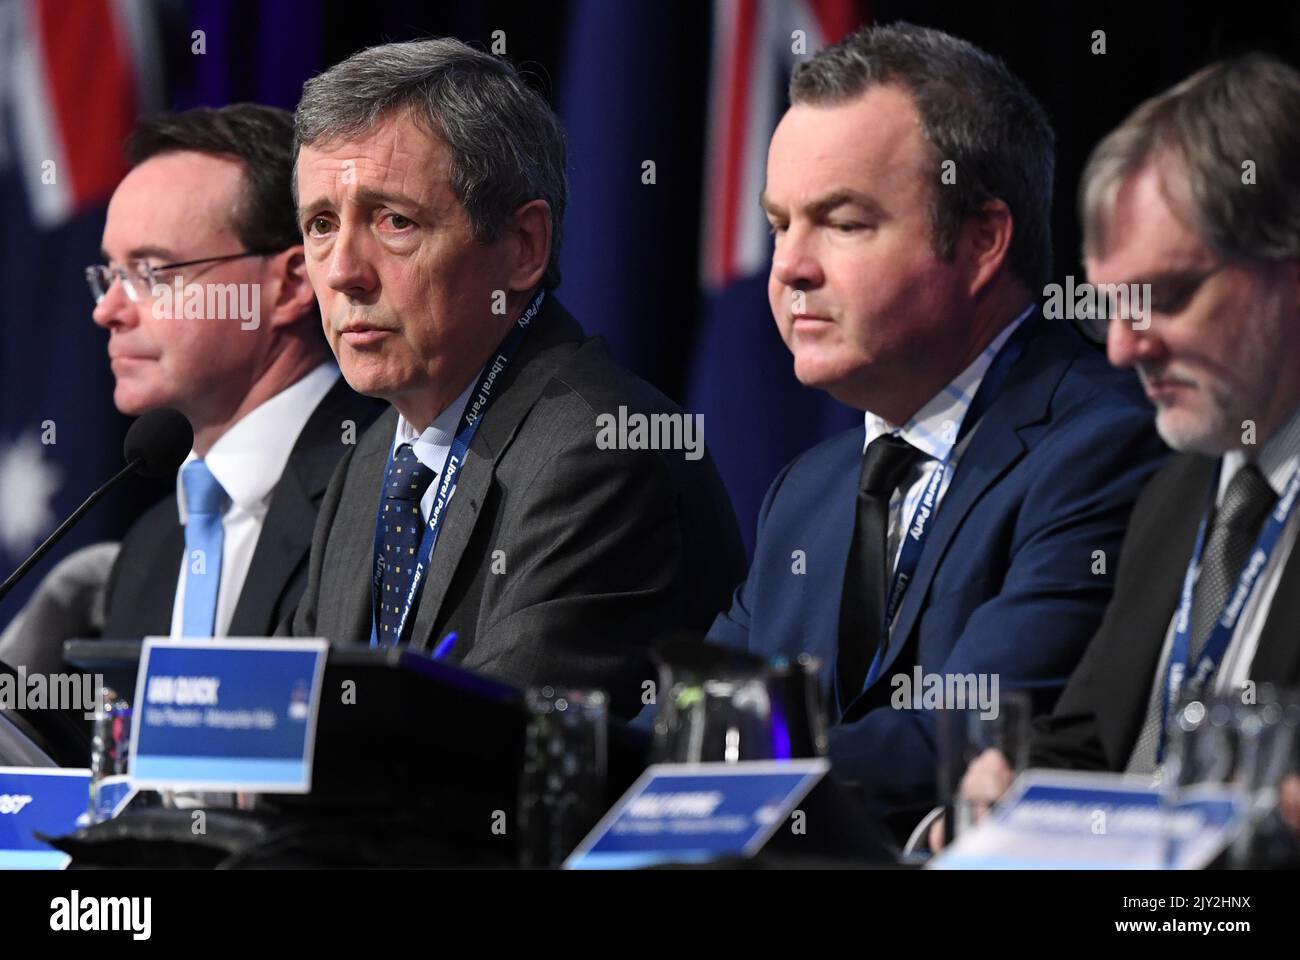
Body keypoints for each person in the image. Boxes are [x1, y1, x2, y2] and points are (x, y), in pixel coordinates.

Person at [705, 23, 1168, 830]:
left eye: (842, 222)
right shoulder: (804, 494)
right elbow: (703, 707)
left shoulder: (1103, 446)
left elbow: (961, 739)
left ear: (984, 240)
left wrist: (704, 762)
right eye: (780, 223)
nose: (788, 266)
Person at [289, 38, 746, 719]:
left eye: (394, 221)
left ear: (523, 246)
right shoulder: (372, 462)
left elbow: (492, 746)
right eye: (321, 224)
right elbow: (293, 712)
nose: (342, 271)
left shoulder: (602, 451)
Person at [948, 54, 1300, 829]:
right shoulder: (1176, 490)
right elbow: (1088, 749)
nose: (1122, 348)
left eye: (1166, 298)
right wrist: (1014, 796)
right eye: (1113, 306)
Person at [90, 104, 383, 641]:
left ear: (293, 284)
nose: (107, 310)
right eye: (110, 274)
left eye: (151, 273)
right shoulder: (146, 552)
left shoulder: (389, 489)